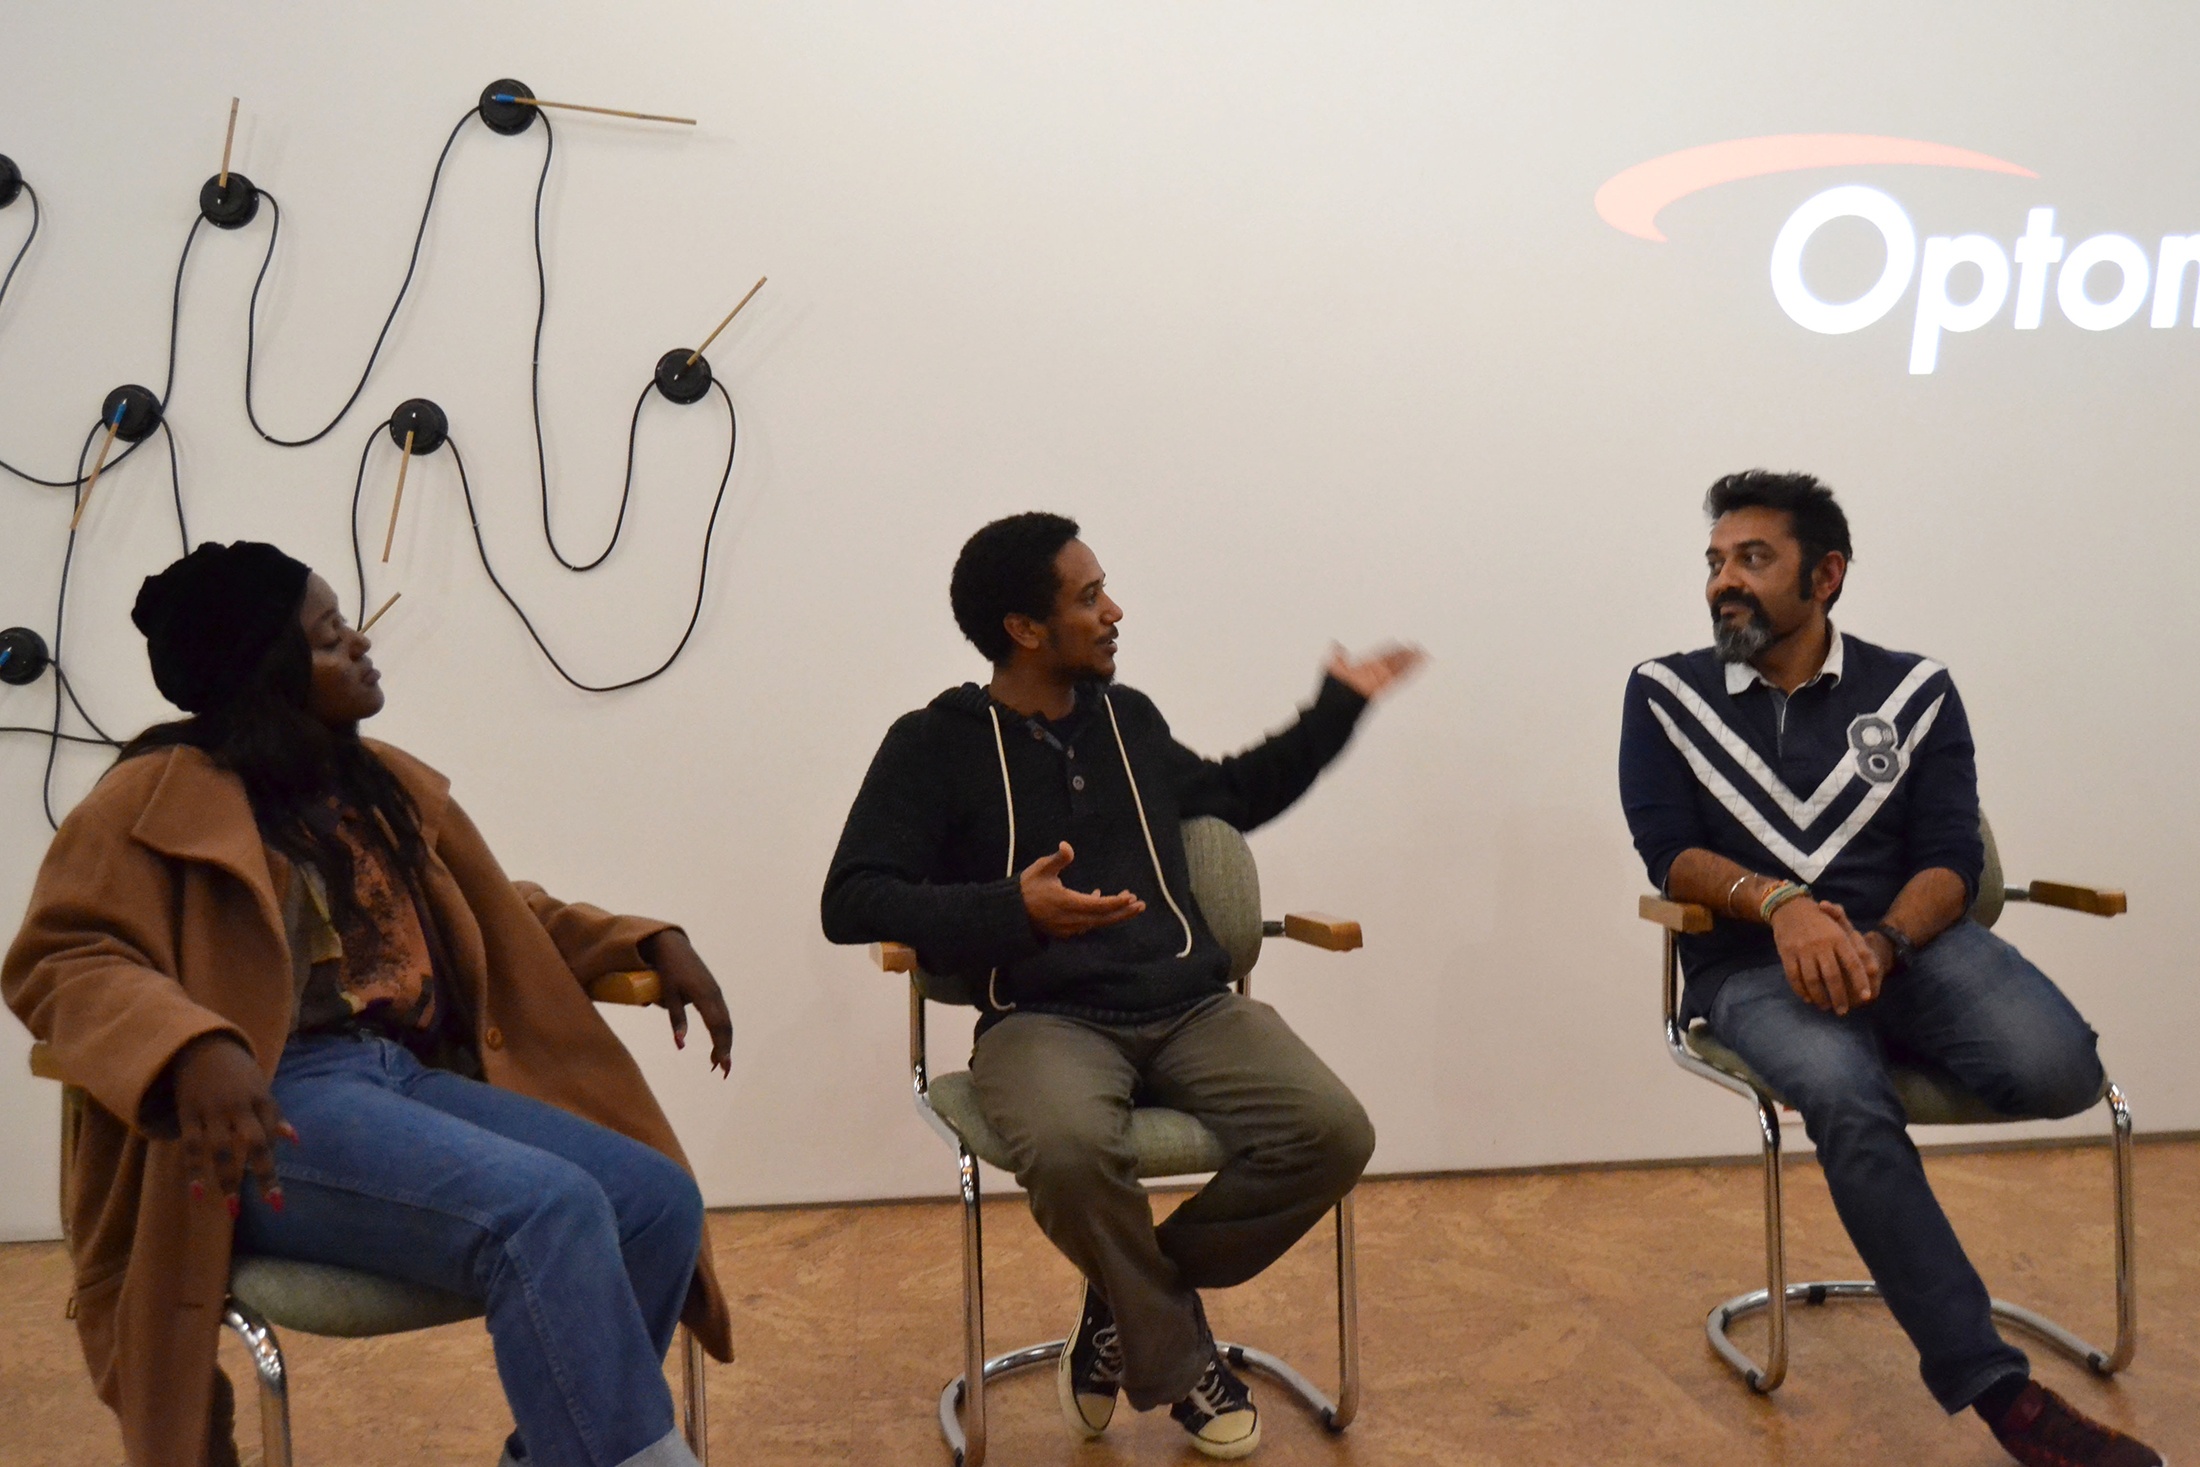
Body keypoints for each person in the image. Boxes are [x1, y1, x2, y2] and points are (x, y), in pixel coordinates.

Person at [4, 542, 737, 1467]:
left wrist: (639, 940)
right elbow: (64, 956)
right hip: (267, 1111)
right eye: (327, 635)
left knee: (653, 1199)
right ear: (267, 670)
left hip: (400, 1079)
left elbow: (499, 911)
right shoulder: (148, 799)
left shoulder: (368, 783)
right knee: (545, 1210)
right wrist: (189, 1044)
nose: (360, 643)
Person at [821, 512, 1421, 1459]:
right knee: (1066, 1145)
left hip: (1188, 1005)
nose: (1114, 611)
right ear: (1024, 627)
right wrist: (1011, 911)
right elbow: (851, 898)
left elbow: (1233, 792)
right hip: (1041, 1019)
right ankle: (1180, 1362)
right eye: (1089, 595)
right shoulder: (934, 743)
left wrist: (1336, 709)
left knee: (1333, 1131)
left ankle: (1127, 1305)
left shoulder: (1126, 719)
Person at [1617, 473, 2160, 1467]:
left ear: (1825, 575)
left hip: (1910, 949)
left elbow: (1950, 855)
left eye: (1752, 559)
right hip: (1748, 966)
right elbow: (1669, 853)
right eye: (1714, 562)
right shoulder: (1666, 692)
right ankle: (1999, 1394)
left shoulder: (1914, 691)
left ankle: (1872, 1027)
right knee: (1842, 1094)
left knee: (2060, 1073)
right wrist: (1781, 906)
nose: (1721, 584)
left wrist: (1881, 946)